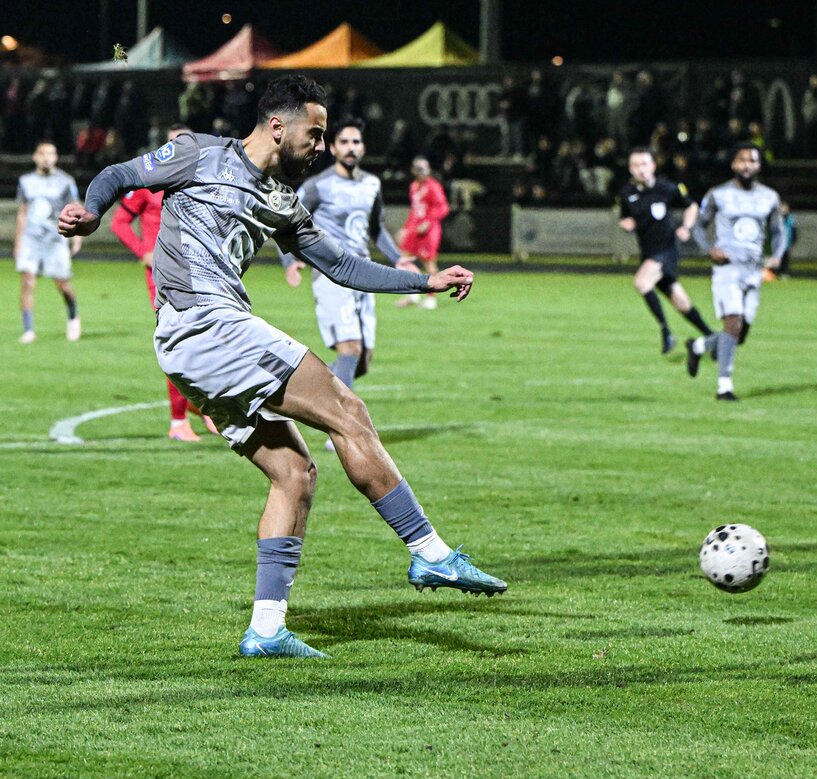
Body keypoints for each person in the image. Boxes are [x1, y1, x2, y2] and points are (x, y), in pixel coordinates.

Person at [58, 74, 506, 660]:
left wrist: (424, 280)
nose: (320, 146)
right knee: (348, 410)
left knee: (295, 472)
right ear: (277, 126)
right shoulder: (198, 153)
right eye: (314, 134)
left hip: (196, 342)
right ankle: (431, 553)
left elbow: (343, 266)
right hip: (206, 323)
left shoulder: (281, 201)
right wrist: (93, 213)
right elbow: (119, 175)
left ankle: (266, 629)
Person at [281, 117, 412, 451]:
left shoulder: (371, 185)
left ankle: (292, 389)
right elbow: (284, 219)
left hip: (363, 278)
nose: (351, 148)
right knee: (349, 349)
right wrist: (290, 261)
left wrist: (398, 259)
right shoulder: (318, 186)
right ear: (333, 148)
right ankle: (341, 429)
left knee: (360, 360)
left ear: (363, 147)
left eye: (356, 142)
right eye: (344, 142)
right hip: (331, 277)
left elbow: (376, 229)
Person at [110, 122, 218, 442]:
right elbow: (119, 222)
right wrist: (142, 251)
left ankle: (200, 404)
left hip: (199, 271)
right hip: (162, 276)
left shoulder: (202, 181)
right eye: (173, 143)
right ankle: (178, 421)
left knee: (205, 342)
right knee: (179, 342)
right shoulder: (149, 180)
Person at [687, 143, 786, 400]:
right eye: (742, 160)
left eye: (752, 160)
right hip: (727, 268)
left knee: (739, 334)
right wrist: (709, 249)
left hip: (753, 270)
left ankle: (699, 346)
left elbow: (778, 231)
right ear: (733, 164)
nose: (747, 165)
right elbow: (698, 226)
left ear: (759, 165)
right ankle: (724, 387)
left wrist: (777, 255)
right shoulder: (718, 194)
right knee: (733, 323)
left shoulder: (769, 197)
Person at [617, 147, 713, 354]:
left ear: (653, 166)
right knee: (681, 303)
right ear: (630, 169)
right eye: (636, 165)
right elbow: (624, 218)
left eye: (644, 164)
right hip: (648, 252)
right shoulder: (627, 193)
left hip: (667, 250)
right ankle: (712, 337)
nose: (640, 169)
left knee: (642, 282)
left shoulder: (667, 188)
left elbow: (692, 206)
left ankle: (666, 332)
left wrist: (686, 227)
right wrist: (626, 224)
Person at [15, 140, 81, 344]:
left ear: (56, 157)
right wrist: (18, 242)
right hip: (31, 239)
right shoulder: (26, 181)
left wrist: (77, 238)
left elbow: (76, 210)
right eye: (42, 154)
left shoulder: (65, 181)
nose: (46, 158)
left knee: (62, 284)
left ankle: (73, 316)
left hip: (55, 239)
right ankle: (28, 330)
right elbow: (22, 213)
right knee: (27, 281)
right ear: (35, 157)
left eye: (50, 154)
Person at [396, 156, 449, 311]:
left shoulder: (433, 186)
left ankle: (431, 298)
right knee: (403, 260)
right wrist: (406, 228)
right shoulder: (414, 186)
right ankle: (412, 294)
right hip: (415, 228)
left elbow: (443, 207)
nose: (422, 172)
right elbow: (415, 210)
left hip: (429, 230)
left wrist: (428, 222)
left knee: (429, 263)